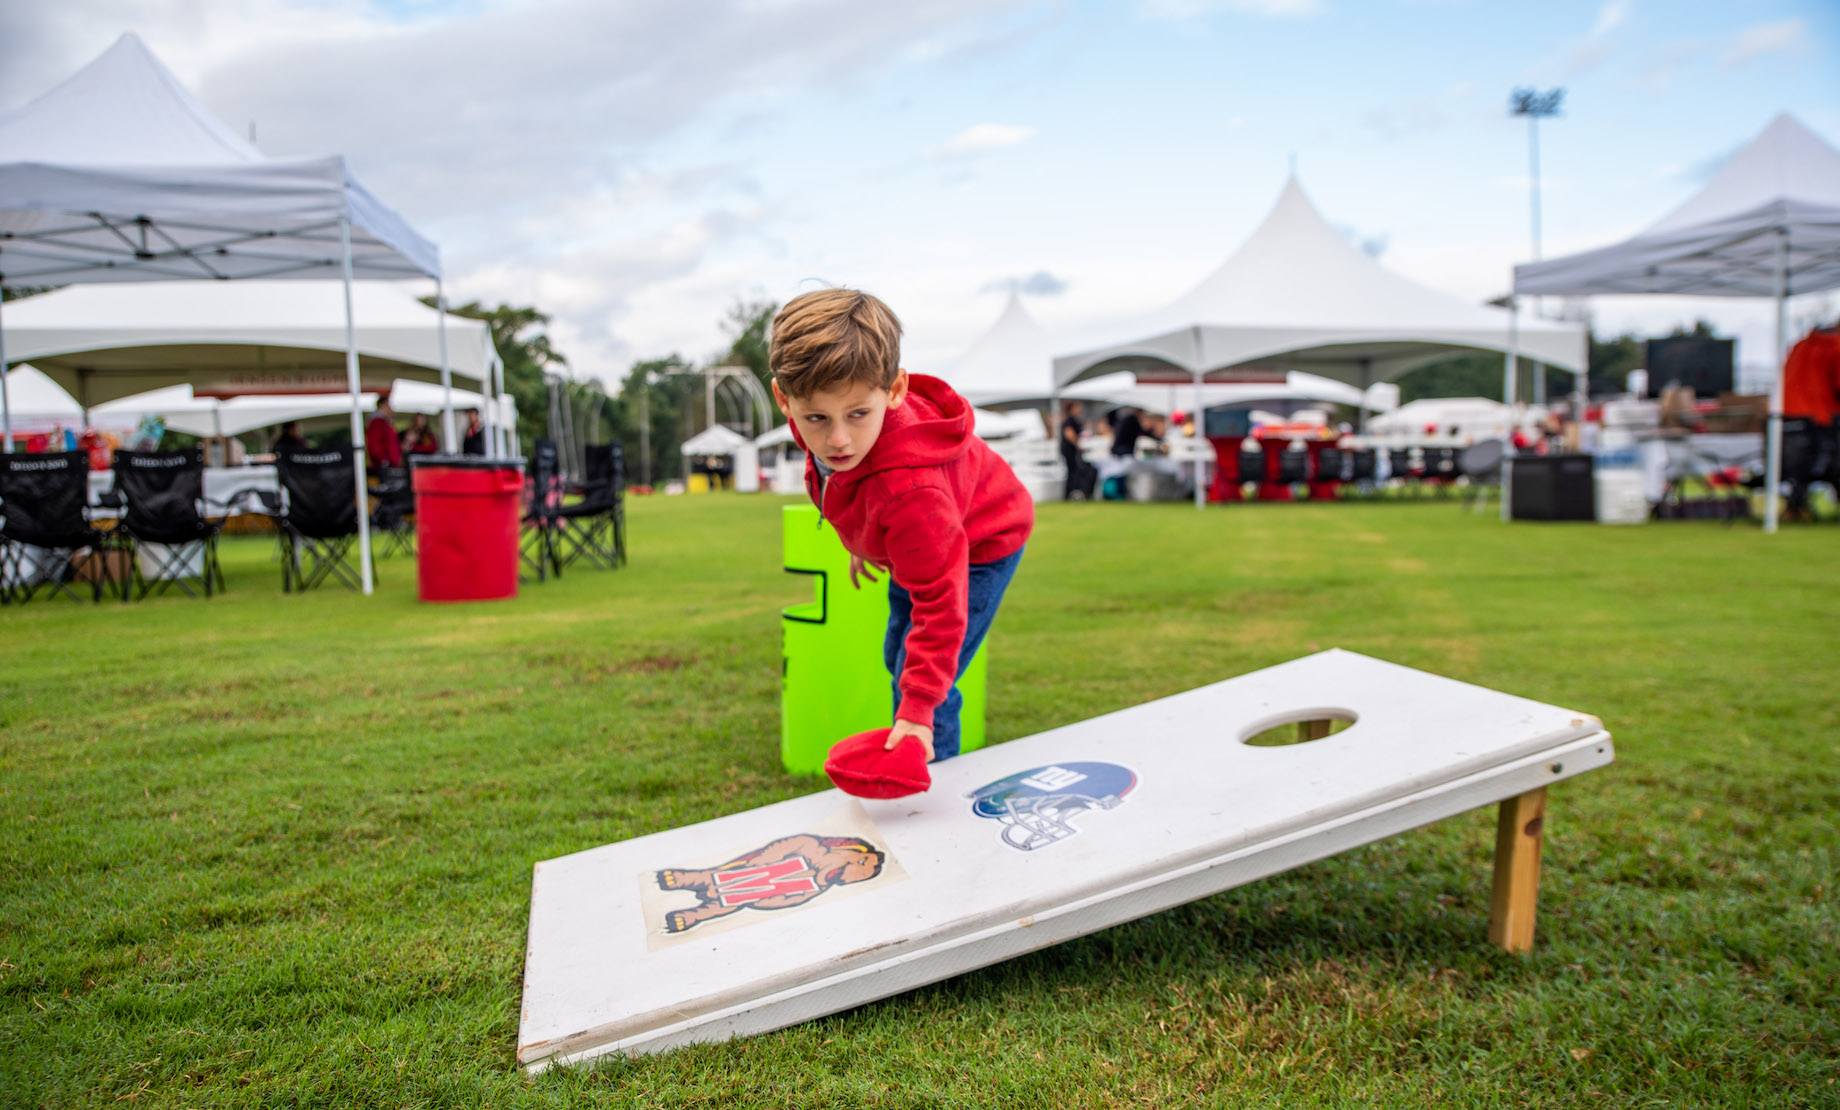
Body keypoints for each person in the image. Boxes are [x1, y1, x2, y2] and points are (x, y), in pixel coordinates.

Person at [770, 288, 1033, 763]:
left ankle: (930, 767)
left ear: (894, 390)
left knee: (927, 678)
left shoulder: (912, 494)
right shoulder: (832, 419)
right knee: (898, 653)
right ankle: (915, 721)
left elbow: (940, 606)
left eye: (857, 415)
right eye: (816, 418)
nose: (838, 439)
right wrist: (861, 538)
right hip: (921, 538)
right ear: (784, 400)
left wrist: (915, 714)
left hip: (983, 541)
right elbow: (847, 485)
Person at [1782, 323, 1840, 519]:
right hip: (1820, 413)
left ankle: (1795, 506)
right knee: (1831, 461)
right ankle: (1796, 506)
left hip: (1789, 412)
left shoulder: (1801, 345)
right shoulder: (1835, 347)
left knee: (1800, 466)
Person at [1059, 399, 1096, 500]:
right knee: (1072, 472)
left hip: (1071, 450)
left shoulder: (1075, 420)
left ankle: (1073, 494)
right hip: (1070, 451)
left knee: (1074, 472)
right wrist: (1079, 445)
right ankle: (1070, 494)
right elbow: (1069, 434)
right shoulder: (1069, 420)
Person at [365, 397, 403, 469]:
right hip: (384, 464)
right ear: (383, 406)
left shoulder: (386, 422)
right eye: (389, 405)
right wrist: (384, 460)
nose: (391, 408)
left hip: (390, 462)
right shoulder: (377, 422)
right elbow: (374, 444)